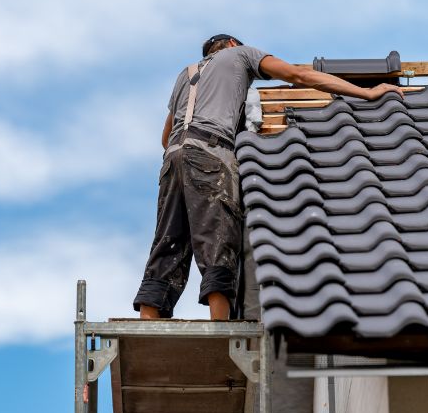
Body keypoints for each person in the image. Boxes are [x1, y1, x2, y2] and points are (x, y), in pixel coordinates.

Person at [133, 34, 404, 320]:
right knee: (217, 238)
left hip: (173, 157)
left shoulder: (185, 75)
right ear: (233, 45)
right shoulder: (241, 55)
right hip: (210, 152)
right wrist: (368, 93)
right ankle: (221, 326)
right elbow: (297, 75)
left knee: (169, 241)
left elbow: (166, 137)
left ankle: (149, 318)